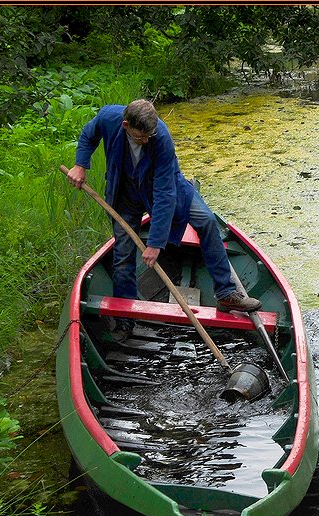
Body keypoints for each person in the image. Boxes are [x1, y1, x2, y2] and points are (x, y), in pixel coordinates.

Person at [66, 99, 260, 340]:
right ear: (126, 125)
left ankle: (226, 293)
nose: (146, 141)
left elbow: (165, 192)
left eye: (150, 135)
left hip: (168, 187)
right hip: (125, 193)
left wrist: (155, 243)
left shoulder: (161, 137)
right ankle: (125, 319)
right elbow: (88, 134)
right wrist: (80, 164)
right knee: (124, 252)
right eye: (140, 137)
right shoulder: (108, 118)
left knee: (207, 221)